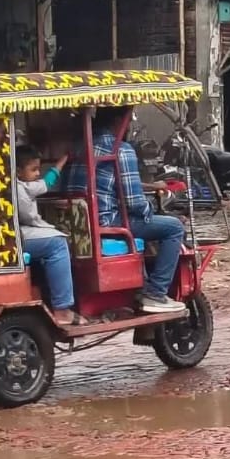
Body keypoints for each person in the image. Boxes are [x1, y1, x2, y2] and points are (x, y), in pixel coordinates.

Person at [61, 107, 186, 314]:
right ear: (119, 121)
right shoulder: (120, 149)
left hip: (77, 222)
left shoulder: (78, 147)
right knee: (172, 227)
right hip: (107, 222)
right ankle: (155, 293)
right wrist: (150, 208)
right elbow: (134, 202)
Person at [14, 146, 90, 327]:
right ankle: (62, 310)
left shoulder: (25, 185)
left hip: (20, 233)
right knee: (57, 243)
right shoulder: (16, 188)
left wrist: (62, 161)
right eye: (33, 170)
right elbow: (29, 217)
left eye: (38, 169)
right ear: (17, 171)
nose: (38, 173)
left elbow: (46, 183)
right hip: (15, 236)